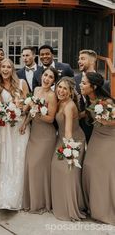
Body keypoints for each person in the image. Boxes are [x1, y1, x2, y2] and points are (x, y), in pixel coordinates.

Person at [0, 58, 30, 210]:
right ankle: (5, 196)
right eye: (3, 67)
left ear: (13, 69)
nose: (5, 69)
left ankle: (21, 194)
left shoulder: (22, 84)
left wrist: (20, 110)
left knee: (20, 157)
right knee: (6, 159)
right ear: (0, 69)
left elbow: (29, 105)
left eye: (8, 67)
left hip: (20, 126)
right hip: (5, 128)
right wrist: (4, 114)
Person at [21, 67, 58, 213]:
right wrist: (24, 123)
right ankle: (31, 200)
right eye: (45, 75)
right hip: (34, 134)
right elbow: (30, 110)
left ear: (53, 81)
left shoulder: (52, 96)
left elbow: (50, 119)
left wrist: (36, 111)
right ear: (41, 76)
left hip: (46, 136)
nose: (47, 78)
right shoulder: (35, 90)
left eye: (50, 77)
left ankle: (41, 202)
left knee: (39, 167)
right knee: (30, 165)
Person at [80, 72, 115, 225]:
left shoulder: (106, 101)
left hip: (109, 137)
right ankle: (92, 206)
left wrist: (104, 120)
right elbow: (87, 113)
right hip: (96, 137)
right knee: (88, 167)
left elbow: (113, 122)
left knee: (103, 172)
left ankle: (104, 210)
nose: (81, 85)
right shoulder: (90, 99)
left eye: (84, 83)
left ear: (93, 86)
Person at [51, 77, 86, 221]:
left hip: (73, 141)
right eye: (59, 87)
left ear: (71, 92)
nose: (61, 90)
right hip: (62, 139)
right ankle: (61, 203)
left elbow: (68, 131)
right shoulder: (59, 102)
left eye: (65, 88)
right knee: (55, 166)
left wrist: (69, 152)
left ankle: (71, 206)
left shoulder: (69, 106)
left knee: (68, 170)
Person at [74, 49, 97, 143]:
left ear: (92, 61)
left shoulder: (104, 82)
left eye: (83, 59)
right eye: (79, 59)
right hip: (78, 125)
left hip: (98, 126)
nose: (79, 61)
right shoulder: (74, 80)